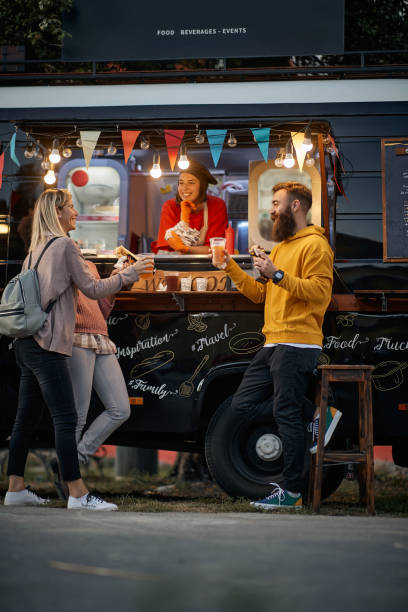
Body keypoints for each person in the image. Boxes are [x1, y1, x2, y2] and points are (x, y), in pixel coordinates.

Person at [4, 188, 152, 511]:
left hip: (25, 342)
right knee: (66, 417)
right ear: (57, 213)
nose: (75, 212)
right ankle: (78, 494)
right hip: (48, 343)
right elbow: (93, 289)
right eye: (70, 207)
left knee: (25, 419)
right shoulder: (66, 246)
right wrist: (129, 274)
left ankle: (15, 487)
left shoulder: (36, 249)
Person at [213, 181, 339, 510]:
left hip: (298, 342)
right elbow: (260, 294)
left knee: (284, 414)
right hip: (273, 341)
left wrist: (278, 273)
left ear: (295, 206)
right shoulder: (282, 247)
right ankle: (315, 416)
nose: (270, 209)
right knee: (240, 407)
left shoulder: (316, 246)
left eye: (276, 203)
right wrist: (230, 266)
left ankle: (292, 492)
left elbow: (320, 294)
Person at [70, 259, 130, 469]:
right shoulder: (60, 256)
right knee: (78, 415)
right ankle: (70, 476)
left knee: (121, 410)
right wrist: (119, 279)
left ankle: (73, 462)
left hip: (100, 336)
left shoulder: (89, 264)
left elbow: (100, 311)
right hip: (76, 337)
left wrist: (114, 284)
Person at [153, 160, 228, 254]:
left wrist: (186, 249)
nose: (184, 188)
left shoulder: (217, 205)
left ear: (203, 186)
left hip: (207, 266)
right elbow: (171, 246)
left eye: (191, 182)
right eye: (181, 183)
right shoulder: (170, 206)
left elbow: (215, 249)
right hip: (173, 265)